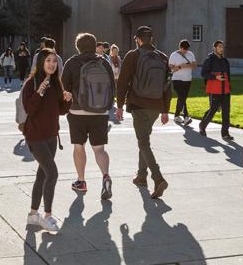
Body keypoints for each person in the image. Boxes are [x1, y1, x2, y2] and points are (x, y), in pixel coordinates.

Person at [116, 26, 172, 199]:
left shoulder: (133, 55)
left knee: (143, 143)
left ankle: (158, 177)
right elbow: (168, 86)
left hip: (139, 104)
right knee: (144, 140)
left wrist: (119, 105)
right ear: (151, 39)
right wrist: (165, 110)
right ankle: (141, 176)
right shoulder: (163, 57)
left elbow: (123, 82)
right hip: (156, 107)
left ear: (138, 39)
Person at [22, 48, 72, 232]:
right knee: (52, 173)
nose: (52, 64)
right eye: (48, 60)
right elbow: (30, 109)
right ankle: (47, 216)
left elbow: (60, 110)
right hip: (35, 137)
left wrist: (67, 100)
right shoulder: (31, 83)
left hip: (51, 136)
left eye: (54, 61)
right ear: (41, 63)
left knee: (42, 175)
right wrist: (39, 91)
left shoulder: (56, 83)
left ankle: (33, 215)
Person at [62, 32, 116, 199]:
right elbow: (112, 86)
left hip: (77, 111)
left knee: (79, 147)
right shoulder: (104, 62)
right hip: (100, 112)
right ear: (95, 46)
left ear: (78, 47)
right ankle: (106, 175)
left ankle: (81, 181)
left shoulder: (72, 63)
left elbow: (64, 88)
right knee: (99, 149)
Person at [199, 40, 233, 141]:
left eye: (222, 47)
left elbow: (228, 75)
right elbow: (203, 74)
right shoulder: (209, 60)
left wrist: (229, 86)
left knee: (226, 112)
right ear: (214, 48)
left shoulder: (225, 61)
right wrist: (215, 77)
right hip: (214, 90)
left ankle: (225, 134)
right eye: (219, 47)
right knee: (213, 110)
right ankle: (202, 126)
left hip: (226, 90)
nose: (221, 49)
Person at [168, 39, 197, 125]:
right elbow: (171, 68)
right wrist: (181, 67)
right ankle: (186, 116)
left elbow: (194, 65)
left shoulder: (190, 54)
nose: (185, 51)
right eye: (184, 49)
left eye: (187, 49)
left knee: (182, 98)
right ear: (180, 48)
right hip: (177, 79)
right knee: (182, 97)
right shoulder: (174, 55)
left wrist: (184, 65)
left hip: (188, 79)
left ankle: (177, 116)